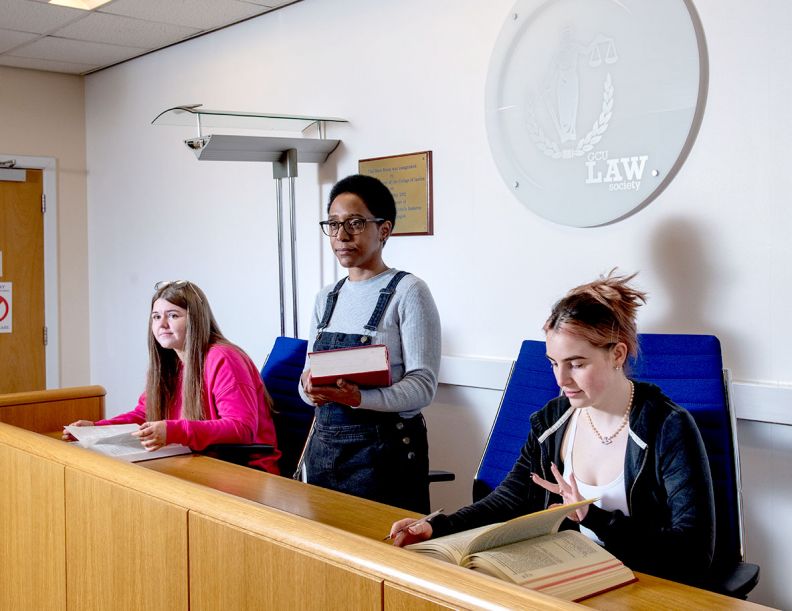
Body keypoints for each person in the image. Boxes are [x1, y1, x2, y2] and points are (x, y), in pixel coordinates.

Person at [390, 271, 715, 586]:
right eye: (553, 363)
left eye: (576, 364)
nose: (561, 380)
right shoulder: (552, 420)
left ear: (617, 354)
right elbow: (510, 497)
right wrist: (438, 527)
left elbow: (692, 553)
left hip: (646, 585)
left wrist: (593, 518)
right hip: (570, 577)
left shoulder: (667, 427)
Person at [299, 174, 441, 513]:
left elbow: (423, 387)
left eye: (355, 223)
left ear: (384, 230)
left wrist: (361, 397)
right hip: (323, 453)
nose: (342, 235)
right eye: (333, 225)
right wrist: (308, 389)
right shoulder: (326, 298)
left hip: (384, 460)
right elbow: (308, 375)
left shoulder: (409, 292)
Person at [64, 280, 281, 474]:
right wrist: (96, 428)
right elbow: (145, 413)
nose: (162, 324)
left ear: (195, 320)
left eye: (173, 315)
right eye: (156, 317)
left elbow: (241, 428)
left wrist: (173, 431)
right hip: (197, 461)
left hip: (243, 470)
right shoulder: (169, 362)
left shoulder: (224, 358)